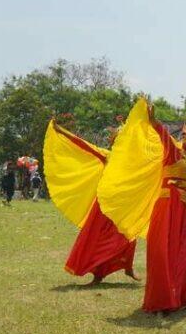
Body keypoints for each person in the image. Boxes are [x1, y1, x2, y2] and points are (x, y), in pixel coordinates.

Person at [98, 98, 186, 314]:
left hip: (182, 207)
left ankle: (181, 296)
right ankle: (162, 301)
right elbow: (163, 137)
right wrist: (153, 122)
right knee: (164, 253)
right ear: (185, 136)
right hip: (168, 204)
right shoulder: (175, 149)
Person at [44, 119, 139, 286]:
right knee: (98, 239)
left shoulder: (133, 160)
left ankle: (127, 266)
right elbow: (83, 145)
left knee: (129, 237)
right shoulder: (107, 156)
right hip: (103, 205)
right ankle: (98, 274)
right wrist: (61, 131)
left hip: (123, 205)